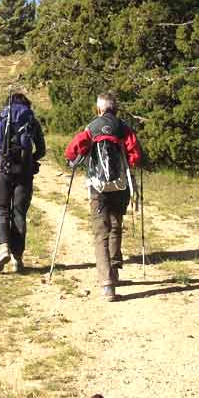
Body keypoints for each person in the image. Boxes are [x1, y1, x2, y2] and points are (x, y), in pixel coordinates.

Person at [64, 93, 144, 302]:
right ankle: (115, 271)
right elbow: (135, 156)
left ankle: (107, 284)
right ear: (114, 108)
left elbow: (72, 151)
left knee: (101, 232)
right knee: (116, 225)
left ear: (99, 109)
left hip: (97, 187)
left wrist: (73, 160)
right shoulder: (123, 128)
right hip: (120, 186)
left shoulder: (91, 128)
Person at [0, 93, 46, 274]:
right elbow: (41, 150)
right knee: (19, 213)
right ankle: (17, 258)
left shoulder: (3, 117)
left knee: (2, 209)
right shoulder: (31, 120)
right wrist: (31, 160)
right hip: (25, 172)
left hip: (2, 169)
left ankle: (3, 247)